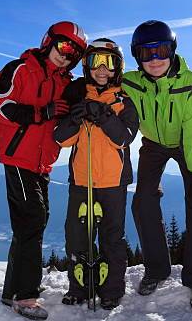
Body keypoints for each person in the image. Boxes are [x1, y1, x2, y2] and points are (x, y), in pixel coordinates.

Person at [0, 21, 87, 320]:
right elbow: (0, 107)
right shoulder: (19, 69)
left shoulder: (65, 82)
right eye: (64, 46)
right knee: (32, 218)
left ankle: (12, 290)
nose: (67, 56)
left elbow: (64, 119)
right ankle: (25, 295)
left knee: (32, 220)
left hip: (42, 161)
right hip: (18, 156)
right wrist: (39, 112)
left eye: (75, 54)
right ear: (49, 41)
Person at [121, 20, 192, 312]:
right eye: (145, 53)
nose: (154, 59)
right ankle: (157, 269)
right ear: (137, 56)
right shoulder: (130, 82)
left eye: (161, 50)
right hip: (152, 145)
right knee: (143, 201)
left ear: (173, 49)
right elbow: (98, 80)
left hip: (187, 144)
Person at [54, 38, 138, 311]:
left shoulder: (124, 101)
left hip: (113, 182)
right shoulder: (77, 97)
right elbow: (61, 139)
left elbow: (124, 138)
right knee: (77, 236)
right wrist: (74, 118)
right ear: (86, 66)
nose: (102, 69)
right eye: (95, 62)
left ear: (118, 67)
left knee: (112, 238)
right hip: (81, 180)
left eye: (109, 62)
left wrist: (103, 115)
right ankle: (79, 287)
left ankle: (111, 289)